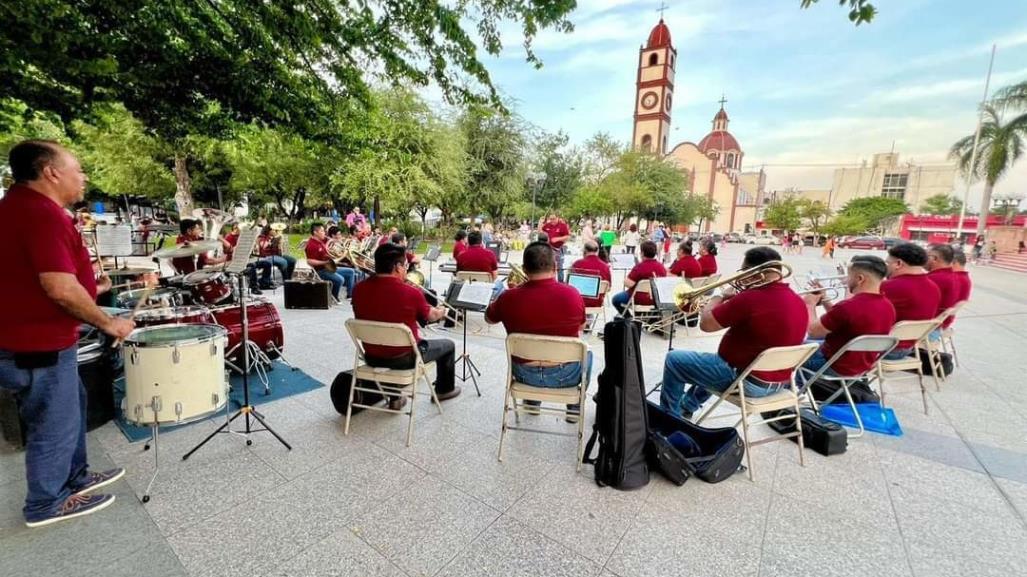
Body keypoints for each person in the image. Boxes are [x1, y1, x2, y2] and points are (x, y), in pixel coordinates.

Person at [0, 140, 136, 527]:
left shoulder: (17, 208)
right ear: (51, 172)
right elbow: (58, 287)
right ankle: (46, 502)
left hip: (33, 339)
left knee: (69, 404)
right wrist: (109, 322)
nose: (84, 177)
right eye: (78, 169)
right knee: (52, 420)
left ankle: (74, 478)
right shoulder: (41, 214)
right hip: (35, 343)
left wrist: (94, 287)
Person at [660, 247, 808, 419]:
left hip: (744, 380)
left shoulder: (750, 298)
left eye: (744, 271)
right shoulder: (798, 301)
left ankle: (669, 418)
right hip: (779, 382)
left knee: (675, 360)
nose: (741, 277)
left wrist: (719, 297)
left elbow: (706, 325)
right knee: (711, 360)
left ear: (754, 272)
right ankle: (689, 405)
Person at [486, 242, 588, 420]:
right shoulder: (573, 294)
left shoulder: (508, 297)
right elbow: (581, 327)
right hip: (566, 375)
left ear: (525, 269)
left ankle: (532, 402)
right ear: (555, 267)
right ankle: (573, 408)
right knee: (588, 355)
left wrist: (503, 296)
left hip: (523, 375)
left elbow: (489, 318)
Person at [353, 243, 460, 407]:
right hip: (404, 359)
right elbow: (430, 317)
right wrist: (442, 311)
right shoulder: (411, 292)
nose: (406, 270)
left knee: (387, 341)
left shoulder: (358, 289)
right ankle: (444, 390)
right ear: (397, 267)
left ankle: (395, 397)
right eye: (405, 266)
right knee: (448, 345)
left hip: (372, 356)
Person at [801, 255, 896, 378]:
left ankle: (791, 390)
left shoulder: (849, 306)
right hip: (861, 367)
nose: (846, 280)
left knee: (791, 353)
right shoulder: (888, 306)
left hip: (832, 365)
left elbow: (813, 331)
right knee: (808, 343)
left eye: (849, 276)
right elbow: (843, 319)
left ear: (860, 278)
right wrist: (824, 298)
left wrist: (809, 304)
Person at [880, 243, 941, 359]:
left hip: (887, 349)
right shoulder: (933, 287)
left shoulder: (890, 286)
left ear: (898, 263)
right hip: (909, 346)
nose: (886, 267)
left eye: (888, 263)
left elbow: (856, 312)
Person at [612, 241, 667, 314]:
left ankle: (627, 318)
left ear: (642, 253)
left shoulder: (639, 267)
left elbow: (628, 284)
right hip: (656, 298)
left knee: (616, 299)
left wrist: (625, 280)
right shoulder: (661, 267)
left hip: (638, 298)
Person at [305, 223, 355, 301]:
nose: (324, 232)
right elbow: (309, 261)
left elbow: (331, 242)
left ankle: (350, 295)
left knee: (350, 272)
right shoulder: (312, 245)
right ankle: (333, 298)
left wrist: (336, 241)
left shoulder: (320, 240)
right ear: (315, 232)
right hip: (320, 271)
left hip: (328, 267)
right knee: (340, 279)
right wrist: (324, 263)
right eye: (322, 231)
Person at [455, 230, 504, 298]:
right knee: (501, 284)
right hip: (486, 290)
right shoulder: (490, 254)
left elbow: (458, 275)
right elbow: (495, 276)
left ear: (468, 242)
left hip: (467, 290)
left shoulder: (461, 256)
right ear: (481, 242)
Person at [223, 224, 269, 294]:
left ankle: (264, 283)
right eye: (238, 228)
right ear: (234, 229)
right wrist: (236, 248)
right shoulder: (229, 237)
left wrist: (253, 247)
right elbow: (226, 251)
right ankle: (254, 288)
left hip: (246, 259)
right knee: (252, 266)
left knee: (267, 264)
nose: (241, 231)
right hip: (235, 261)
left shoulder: (243, 237)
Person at [569, 240, 612, 310]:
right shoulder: (605, 266)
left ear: (584, 250)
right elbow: (608, 288)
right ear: (597, 251)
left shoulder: (577, 264)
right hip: (596, 302)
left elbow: (570, 284)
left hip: (578, 301)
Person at [925, 243, 959, 332]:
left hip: (930, 329)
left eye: (926, 256)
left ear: (934, 258)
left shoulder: (935, 279)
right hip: (941, 324)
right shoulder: (953, 276)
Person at [541, 213, 571, 279]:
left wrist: (557, 239)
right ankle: (551, 280)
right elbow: (541, 231)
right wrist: (540, 223)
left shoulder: (562, 226)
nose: (552, 221)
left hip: (558, 249)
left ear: (557, 218)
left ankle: (561, 282)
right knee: (550, 266)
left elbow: (568, 237)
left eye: (554, 219)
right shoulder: (547, 225)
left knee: (559, 267)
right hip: (549, 248)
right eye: (551, 219)